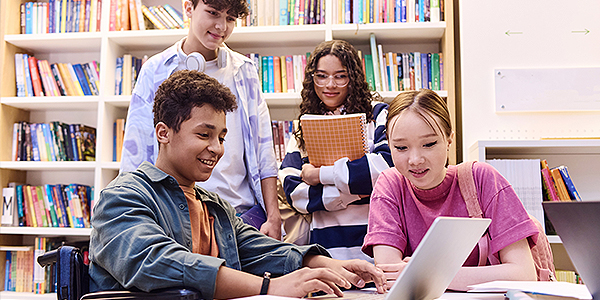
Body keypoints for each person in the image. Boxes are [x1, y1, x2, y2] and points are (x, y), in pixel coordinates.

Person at [89, 70, 386, 298]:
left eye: (221, 137)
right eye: (204, 135)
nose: (217, 148)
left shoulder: (214, 206)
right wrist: (270, 288)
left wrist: (328, 264)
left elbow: (261, 249)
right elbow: (158, 262)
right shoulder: (122, 196)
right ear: (163, 133)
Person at [119, 0, 281, 239]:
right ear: (188, 8)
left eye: (230, 18)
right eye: (213, 13)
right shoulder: (155, 70)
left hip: (239, 217)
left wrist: (273, 215)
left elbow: (263, 149)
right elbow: (136, 155)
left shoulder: (244, 70)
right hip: (173, 217)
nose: (221, 26)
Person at [361, 89, 539, 291]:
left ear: (449, 139)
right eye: (401, 148)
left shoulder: (482, 179)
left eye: (428, 144)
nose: (415, 160)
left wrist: (426, 273)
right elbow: (390, 277)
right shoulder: (390, 185)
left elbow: (523, 274)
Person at [279, 40, 393, 261]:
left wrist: (319, 176)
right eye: (321, 76)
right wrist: (356, 193)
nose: (330, 84)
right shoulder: (304, 126)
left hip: (376, 240)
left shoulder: (379, 115)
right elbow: (294, 192)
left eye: (340, 76)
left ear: (353, 78)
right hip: (326, 248)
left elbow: (387, 169)